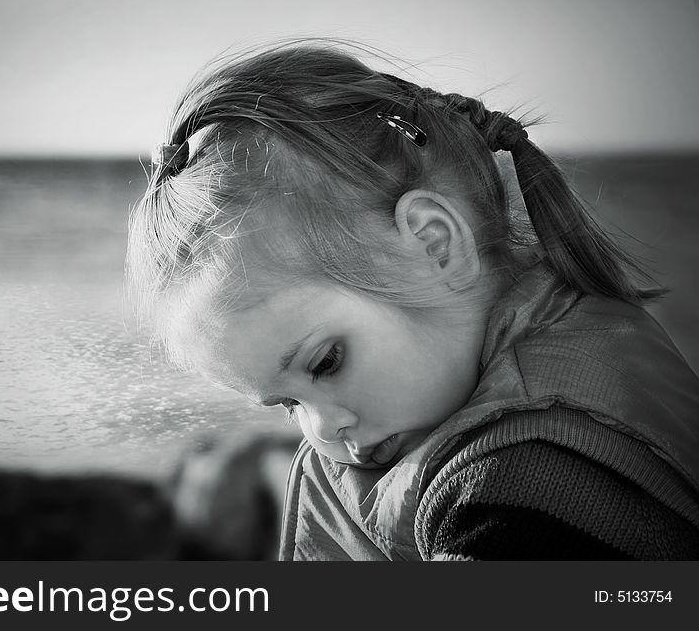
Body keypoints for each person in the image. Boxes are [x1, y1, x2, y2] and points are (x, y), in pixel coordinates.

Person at [126, 40, 699, 560]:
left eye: (326, 363)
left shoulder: (523, 500)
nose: (323, 429)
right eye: (287, 404)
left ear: (435, 244)